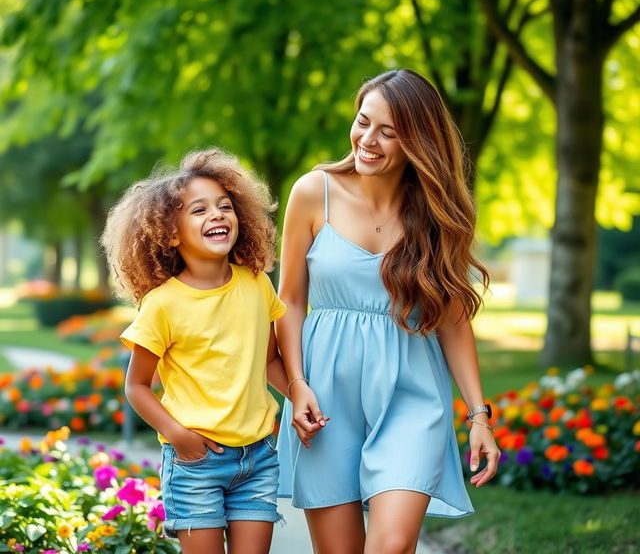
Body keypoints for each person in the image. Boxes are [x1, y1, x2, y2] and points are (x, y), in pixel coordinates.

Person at [276, 69, 501, 554]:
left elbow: (454, 319)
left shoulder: (437, 212)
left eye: (389, 132)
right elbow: (289, 299)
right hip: (325, 396)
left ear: (418, 142)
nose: (368, 141)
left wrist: (478, 415)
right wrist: (296, 385)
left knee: (392, 545)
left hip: (411, 393)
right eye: (363, 122)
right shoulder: (313, 192)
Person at [101, 149, 288, 554]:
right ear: (170, 232)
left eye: (225, 206)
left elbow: (270, 360)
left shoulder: (257, 284)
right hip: (195, 464)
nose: (218, 215)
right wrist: (178, 436)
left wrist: (302, 397)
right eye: (199, 210)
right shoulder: (163, 304)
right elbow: (136, 386)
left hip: (258, 459)